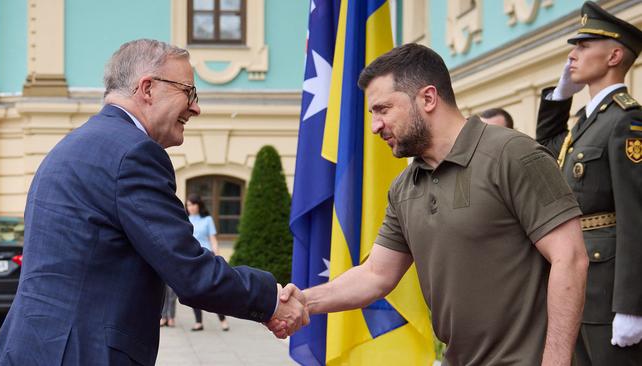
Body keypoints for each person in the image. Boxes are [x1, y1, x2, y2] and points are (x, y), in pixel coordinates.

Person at [0, 39, 307, 366]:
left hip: (28, 348)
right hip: (82, 353)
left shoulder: (71, 147)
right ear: (147, 88)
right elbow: (190, 271)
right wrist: (270, 299)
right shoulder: (133, 154)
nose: (196, 108)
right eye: (189, 92)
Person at [272, 43, 589, 365]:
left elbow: (571, 258)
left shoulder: (513, 154)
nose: (375, 126)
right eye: (372, 114)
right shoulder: (404, 186)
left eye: (383, 109)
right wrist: (304, 300)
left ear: (427, 98)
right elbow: (375, 274)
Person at [536, 2, 642, 364]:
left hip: (608, 286)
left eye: (583, 46)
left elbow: (636, 216)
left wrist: (632, 305)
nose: (572, 55)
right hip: (575, 279)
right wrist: (559, 97)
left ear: (614, 55)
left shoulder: (626, 121)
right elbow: (546, 152)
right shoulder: (585, 122)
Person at [185, 193, 229, 332]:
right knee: (194, 291)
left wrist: (218, 257)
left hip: (207, 256)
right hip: (192, 258)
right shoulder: (185, 220)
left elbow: (213, 239)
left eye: (193, 204)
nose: (190, 207)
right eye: (188, 205)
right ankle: (198, 322)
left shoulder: (207, 219)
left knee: (213, 289)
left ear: (199, 205)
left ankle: (222, 319)